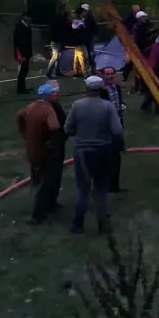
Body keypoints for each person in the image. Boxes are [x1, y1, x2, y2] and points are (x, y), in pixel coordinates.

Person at [63, 75, 122, 235]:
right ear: (101, 88)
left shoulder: (77, 105)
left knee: (82, 188)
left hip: (82, 152)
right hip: (103, 152)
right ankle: (103, 225)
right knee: (101, 189)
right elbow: (117, 130)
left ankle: (78, 224)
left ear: (87, 88)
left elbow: (67, 129)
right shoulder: (108, 107)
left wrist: (80, 132)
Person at [17, 80, 66, 224]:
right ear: (48, 95)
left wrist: (25, 134)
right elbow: (55, 129)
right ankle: (38, 214)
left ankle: (51, 204)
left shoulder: (31, 107)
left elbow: (19, 117)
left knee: (50, 178)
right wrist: (55, 143)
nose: (58, 94)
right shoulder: (47, 110)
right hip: (47, 151)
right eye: (55, 92)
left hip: (35, 149)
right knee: (47, 181)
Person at [99, 68, 126, 193]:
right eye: (107, 74)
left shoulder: (117, 87)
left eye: (112, 74)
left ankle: (114, 186)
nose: (110, 76)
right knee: (107, 157)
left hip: (117, 125)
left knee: (117, 156)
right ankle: (104, 185)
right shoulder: (101, 91)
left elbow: (118, 103)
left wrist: (121, 107)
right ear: (103, 76)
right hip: (106, 128)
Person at [140, 33, 159, 115]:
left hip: (150, 69)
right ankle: (158, 109)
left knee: (153, 88)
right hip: (157, 70)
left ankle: (146, 104)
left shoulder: (154, 45)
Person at [13, 13, 33, 94]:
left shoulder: (27, 26)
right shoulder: (20, 27)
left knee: (25, 70)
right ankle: (20, 89)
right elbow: (19, 42)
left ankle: (23, 87)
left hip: (26, 52)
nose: (29, 19)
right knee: (22, 71)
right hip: (22, 53)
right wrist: (22, 54)